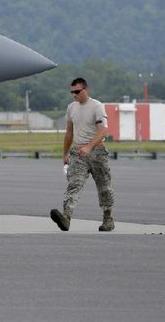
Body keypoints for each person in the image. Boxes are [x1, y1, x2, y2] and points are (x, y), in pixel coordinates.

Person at [51, 77, 115, 232]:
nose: (74, 95)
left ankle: (108, 219)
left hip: (97, 152)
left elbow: (103, 131)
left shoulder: (96, 106)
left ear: (86, 90)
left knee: (104, 187)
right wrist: (65, 153)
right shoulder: (71, 108)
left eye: (77, 91)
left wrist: (89, 146)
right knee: (74, 184)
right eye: (72, 92)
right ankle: (66, 217)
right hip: (78, 153)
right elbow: (69, 132)